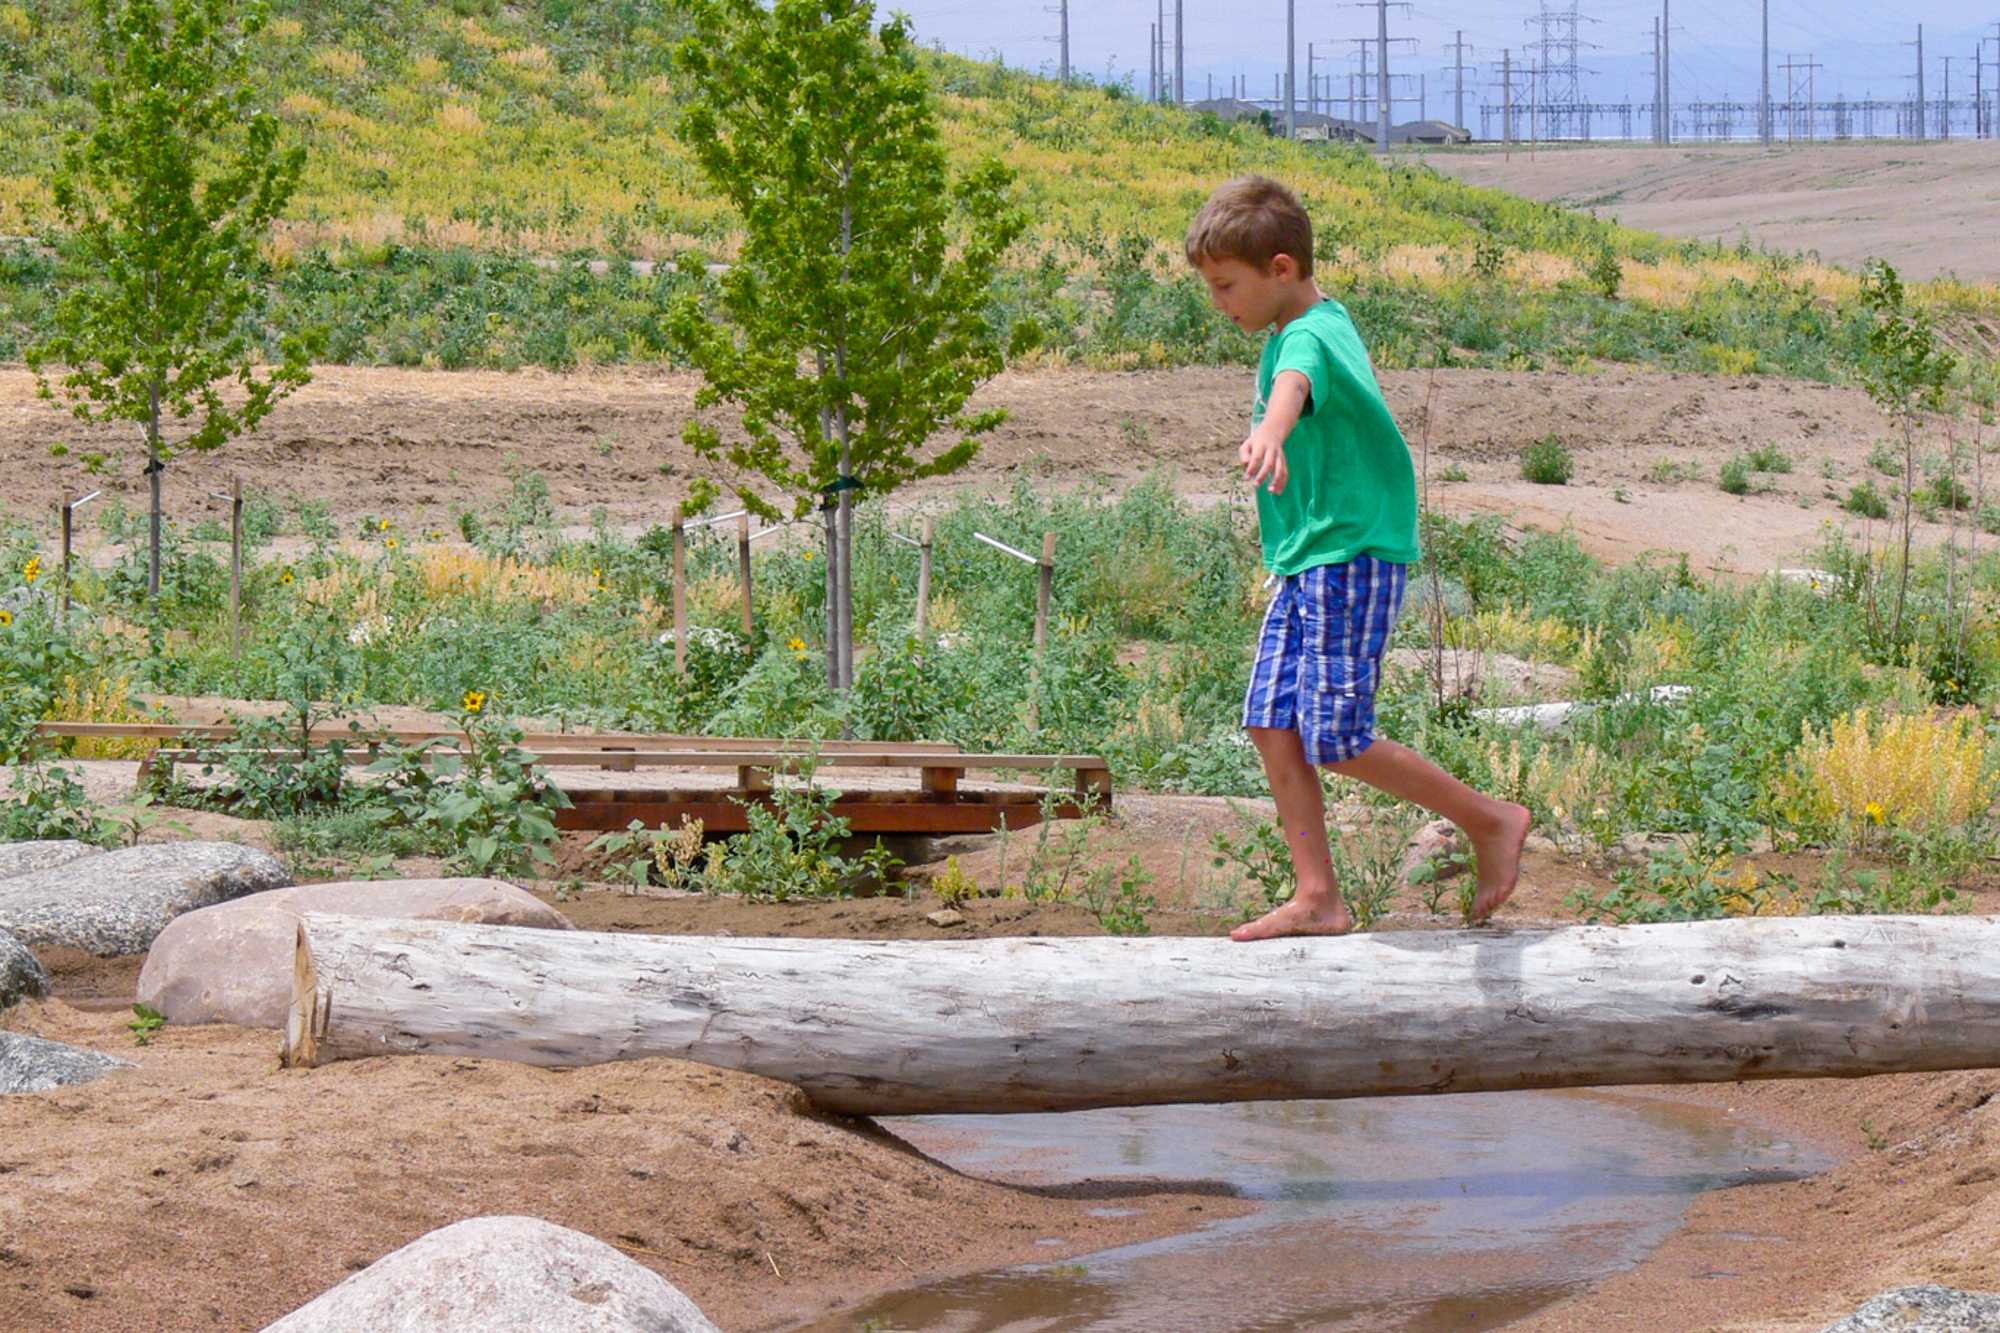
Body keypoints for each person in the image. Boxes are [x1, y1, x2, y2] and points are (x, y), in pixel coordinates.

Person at [1186, 174, 1531, 942]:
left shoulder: (1307, 337)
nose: (1218, 304)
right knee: (1273, 722)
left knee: (1336, 736)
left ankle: (1491, 819)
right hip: (1312, 560)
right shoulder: (1302, 327)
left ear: (1281, 268)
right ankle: (1318, 896)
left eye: (1224, 287)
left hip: (1350, 556)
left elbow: (1293, 387)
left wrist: (1272, 431)